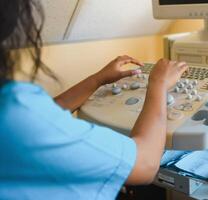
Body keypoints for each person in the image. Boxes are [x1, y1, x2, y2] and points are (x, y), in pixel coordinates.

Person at [0, 0, 188, 199]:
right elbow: (146, 164)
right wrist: (158, 84)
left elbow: (45, 116)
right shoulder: (14, 111)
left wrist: (97, 79)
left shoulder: (18, 112)